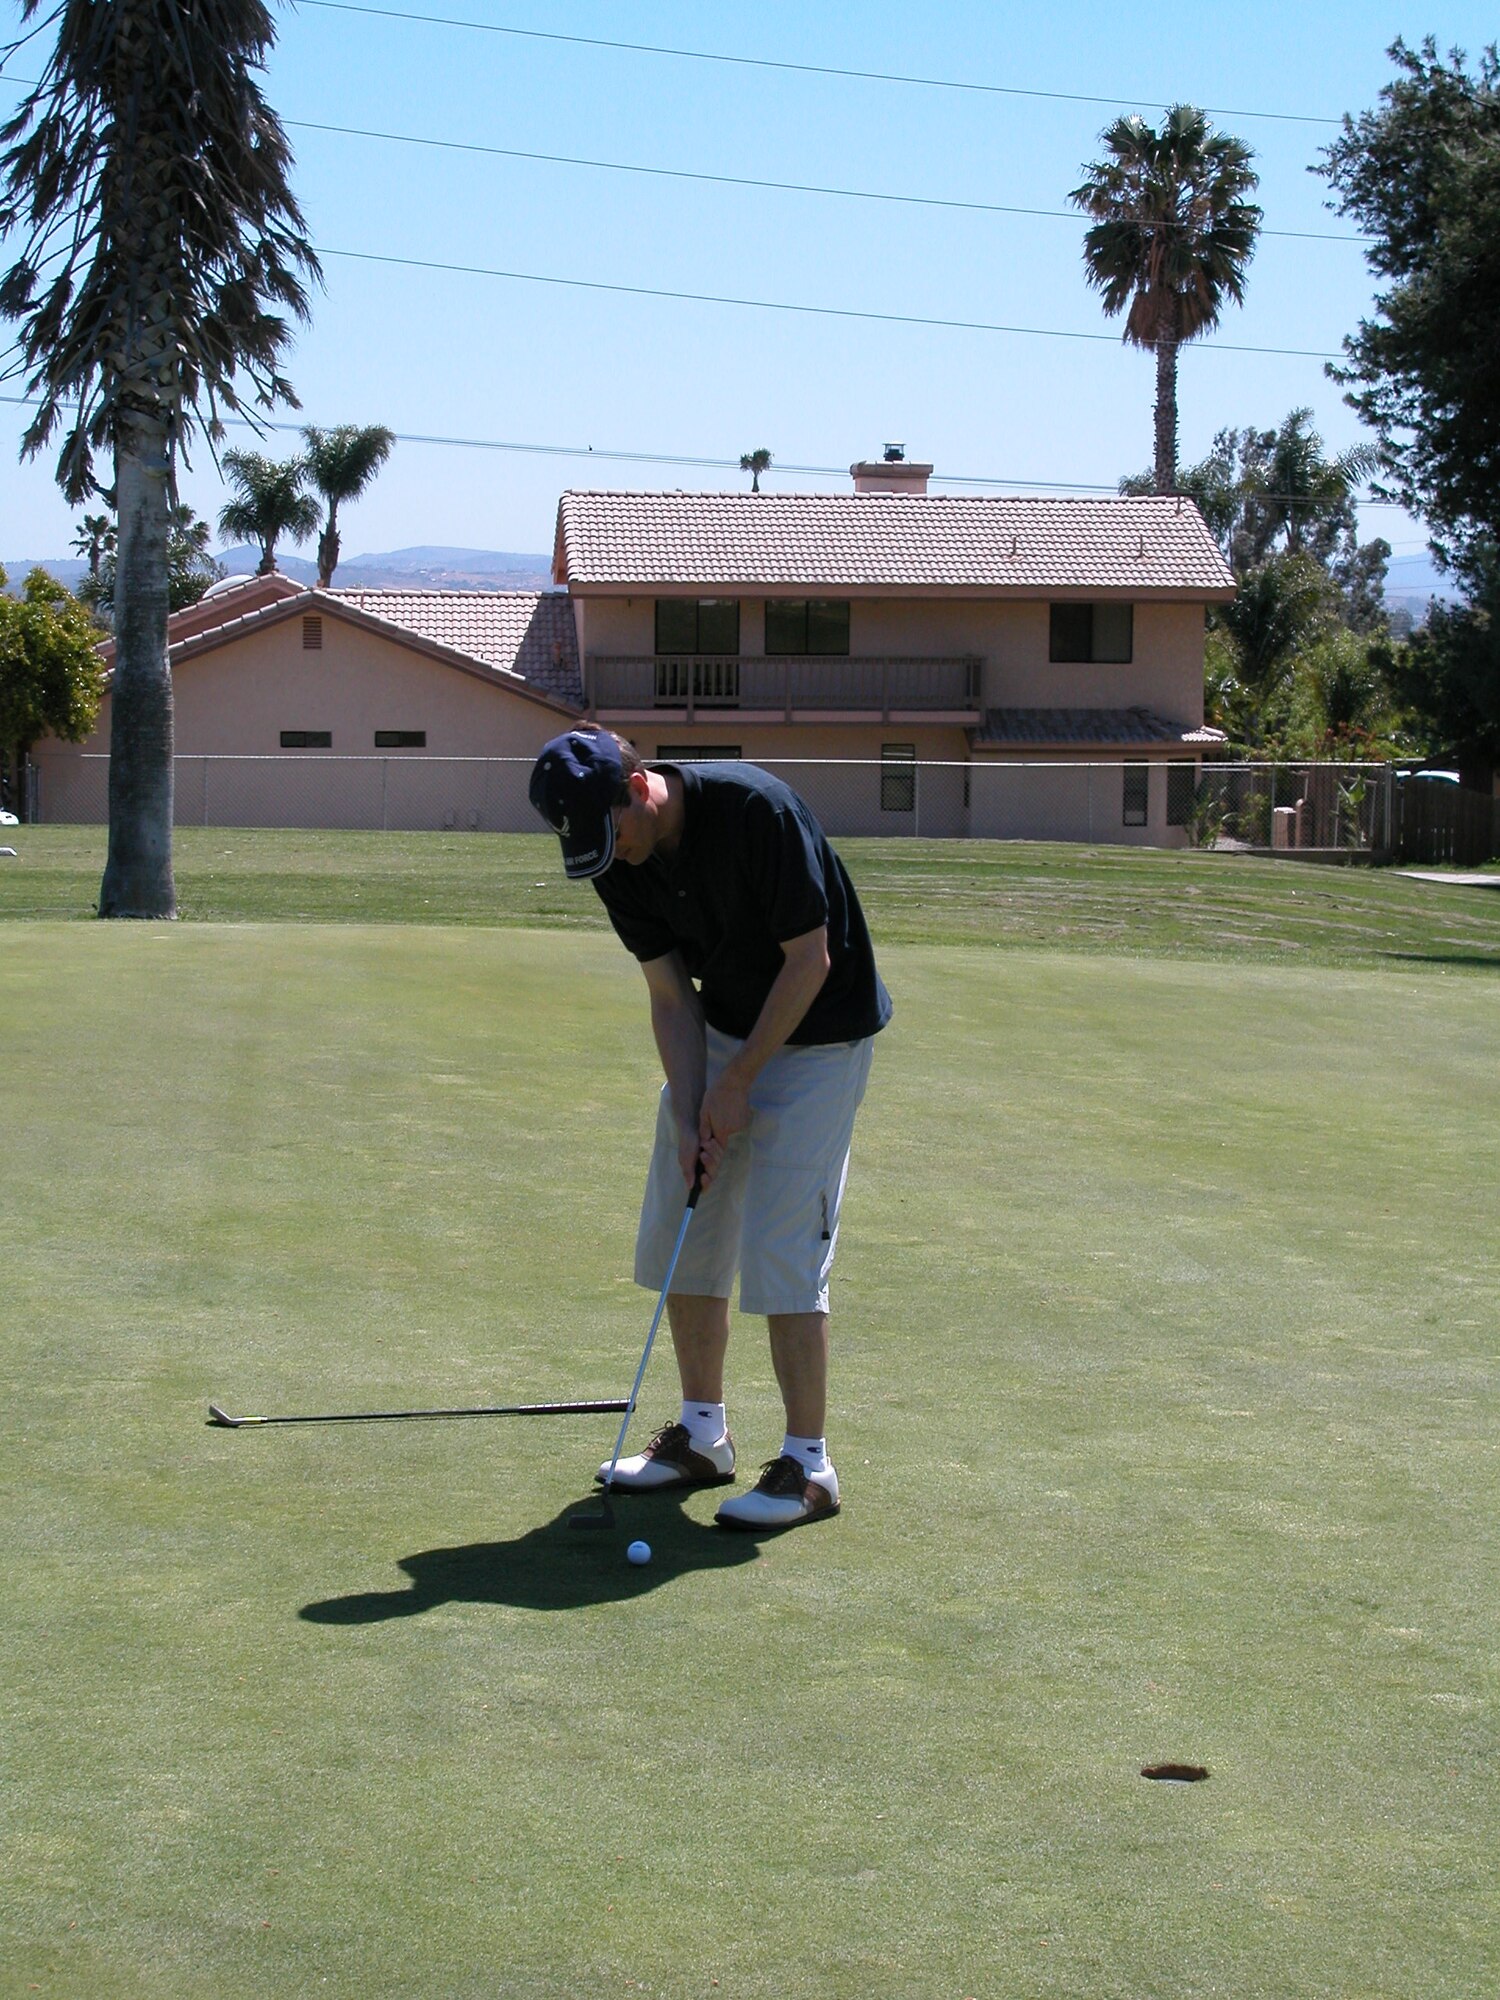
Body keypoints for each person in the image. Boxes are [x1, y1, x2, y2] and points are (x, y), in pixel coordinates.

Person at [529, 727, 892, 1530]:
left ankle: (809, 1465)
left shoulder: (757, 811)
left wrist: (737, 1083)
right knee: (687, 1223)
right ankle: (702, 1436)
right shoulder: (612, 858)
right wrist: (697, 1107)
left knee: (782, 1243)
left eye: (612, 833)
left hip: (821, 1031)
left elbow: (811, 962)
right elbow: (669, 998)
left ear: (639, 787)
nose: (609, 855)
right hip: (724, 1025)